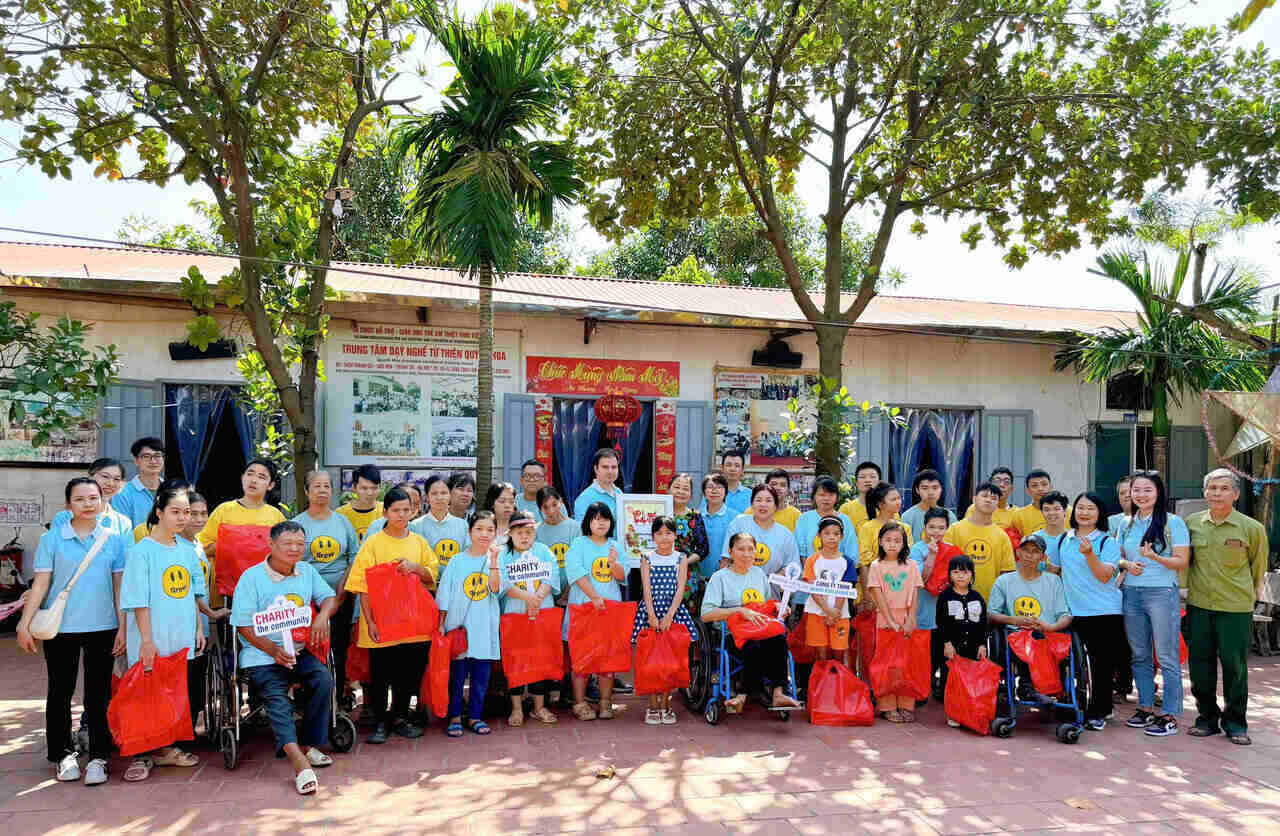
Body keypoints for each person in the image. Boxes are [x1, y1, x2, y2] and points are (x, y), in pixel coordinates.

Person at [16, 477, 127, 786]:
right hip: (60, 628)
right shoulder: (52, 538)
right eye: (80, 499)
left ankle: (99, 757)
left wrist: (123, 626)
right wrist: (25, 623)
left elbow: (119, 586)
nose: (88, 504)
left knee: (99, 695)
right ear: (68, 505)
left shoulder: (114, 539)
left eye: (93, 498)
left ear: (102, 501)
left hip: (103, 626)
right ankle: (63, 755)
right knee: (60, 692)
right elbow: (41, 583)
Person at [230, 521, 339, 795]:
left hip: (299, 649)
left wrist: (322, 617)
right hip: (262, 654)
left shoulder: (307, 571)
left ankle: (309, 744)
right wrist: (272, 650)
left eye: (300, 544)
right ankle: (299, 763)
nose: (294, 549)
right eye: (287, 543)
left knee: (323, 680)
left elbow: (329, 598)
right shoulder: (251, 578)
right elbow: (243, 625)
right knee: (276, 698)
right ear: (271, 544)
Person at [119, 484, 207, 781]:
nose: (183, 518)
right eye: (176, 512)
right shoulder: (141, 551)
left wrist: (198, 627)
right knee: (147, 693)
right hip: (152, 635)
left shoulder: (187, 550)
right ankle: (142, 753)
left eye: (186, 512)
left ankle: (166, 749)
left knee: (175, 691)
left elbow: (193, 593)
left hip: (182, 633)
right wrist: (146, 640)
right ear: (159, 512)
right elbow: (138, 600)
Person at [342, 487, 438, 744]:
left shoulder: (418, 542)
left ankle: (400, 718)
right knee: (381, 675)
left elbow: (432, 575)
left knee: (408, 673)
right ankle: (380, 722)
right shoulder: (373, 543)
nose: (401, 515)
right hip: (381, 623)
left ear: (413, 511)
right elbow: (362, 586)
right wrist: (370, 622)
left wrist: (415, 567)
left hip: (412, 622)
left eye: (406, 510)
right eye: (396, 510)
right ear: (385, 512)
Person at [1185, 468, 1267, 746]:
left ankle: (1236, 723)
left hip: (1235, 608)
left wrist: (1250, 599)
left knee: (1235, 667)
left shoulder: (1252, 528)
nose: (1217, 493)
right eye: (1212, 488)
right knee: (1200, 666)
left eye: (1224, 488)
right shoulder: (1192, 524)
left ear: (1236, 494)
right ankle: (1207, 718)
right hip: (1199, 605)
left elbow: (1258, 568)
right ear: (1204, 492)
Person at [1117, 471, 1189, 737]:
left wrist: (1155, 558)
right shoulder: (1126, 524)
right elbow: (1117, 557)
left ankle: (1169, 714)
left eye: (1147, 490)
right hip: (1131, 594)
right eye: (1136, 490)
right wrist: (1127, 564)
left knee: (1167, 655)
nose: (1141, 495)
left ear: (1158, 493)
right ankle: (1145, 707)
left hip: (1161, 593)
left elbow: (1182, 561)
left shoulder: (1173, 523)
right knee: (1139, 654)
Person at [1044, 492, 1123, 730]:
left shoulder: (1107, 542)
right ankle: (1071, 703)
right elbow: (1064, 571)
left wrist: (1089, 555)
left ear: (1099, 513)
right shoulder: (1065, 539)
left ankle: (1101, 710)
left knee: (1101, 664)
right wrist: (1049, 568)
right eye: (1080, 508)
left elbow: (1104, 575)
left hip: (1102, 611)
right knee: (1071, 660)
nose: (1084, 513)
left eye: (1090, 508)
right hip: (1072, 610)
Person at [700, 531, 802, 713]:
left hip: (759, 628)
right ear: (730, 552)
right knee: (753, 646)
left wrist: (778, 607)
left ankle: (778, 693)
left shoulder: (758, 574)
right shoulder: (720, 578)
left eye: (750, 549)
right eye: (741, 549)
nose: (746, 554)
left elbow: (766, 606)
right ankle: (742, 696)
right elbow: (706, 614)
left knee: (778, 639)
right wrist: (739, 611)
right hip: (732, 633)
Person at [292, 471, 361, 710]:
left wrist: (342, 589)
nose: (322, 490)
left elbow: (355, 556)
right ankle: (308, 700)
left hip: (341, 596)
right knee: (308, 649)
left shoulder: (343, 522)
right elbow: (292, 561)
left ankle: (336, 699)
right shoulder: (298, 524)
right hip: (306, 599)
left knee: (338, 649)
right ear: (306, 491)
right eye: (317, 486)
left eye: (326, 486)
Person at [437, 510, 503, 737]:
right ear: (470, 531)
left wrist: (493, 561)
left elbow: (495, 588)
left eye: (490, 530)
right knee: (457, 677)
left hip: (484, 627)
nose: (484, 534)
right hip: (459, 628)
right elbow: (444, 595)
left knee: (481, 678)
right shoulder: (457, 561)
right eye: (479, 529)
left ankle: (475, 715)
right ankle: (455, 716)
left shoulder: (497, 560)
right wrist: (441, 623)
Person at [564, 502, 626, 720]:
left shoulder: (616, 546)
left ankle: (605, 701)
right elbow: (576, 573)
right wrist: (594, 597)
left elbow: (622, 576)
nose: (601, 523)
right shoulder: (579, 544)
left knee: (607, 658)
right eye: (596, 519)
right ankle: (580, 703)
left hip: (609, 610)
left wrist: (614, 564)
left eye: (605, 519)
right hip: (584, 608)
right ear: (588, 522)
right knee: (582, 658)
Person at [631, 515, 696, 725]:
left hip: (673, 612)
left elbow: (680, 588)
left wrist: (669, 615)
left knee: (671, 660)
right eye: (659, 533)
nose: (664, 537)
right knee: (650, 659)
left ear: (675, 535)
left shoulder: (680, 558)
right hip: (651, 611)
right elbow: (646, 588)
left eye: (668, 533)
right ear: (653, 537)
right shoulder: (647, 557)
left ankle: (666, 704)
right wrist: (651, 614)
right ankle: (652, 705)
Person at [499, 511, 560, 727]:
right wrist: (528, 598)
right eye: (519, 533)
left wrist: (538, 597)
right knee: (516, 659)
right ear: (510, 533)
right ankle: (516, 708)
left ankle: (539, 707)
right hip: (515, 614)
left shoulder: (543, 551)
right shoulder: (504, 555)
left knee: (540, 658)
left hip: (542, 612)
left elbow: (551, 575)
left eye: (529, 532)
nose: (524, 537)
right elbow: (503, 583)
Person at [197, 458, 287, 605]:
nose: (254, 480)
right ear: (242, 478)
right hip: (226, 595)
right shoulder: (223, 511)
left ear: (270, 485)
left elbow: (284, 555)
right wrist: (231, 546)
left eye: (261, 477)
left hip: (266, 594)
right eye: (250, 474)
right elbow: (202, 549)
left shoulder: (276, 516)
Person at [865, 522, 924, 722]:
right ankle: (887, 705)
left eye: (897, 541)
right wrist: (890, 620)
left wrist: (912, 618)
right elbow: (877, 594)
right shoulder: (876, 566)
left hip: (907, 620)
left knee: (907, 664)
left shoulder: (911, 565)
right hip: (885, 621)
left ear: (904, 543)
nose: (892, 544)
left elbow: (915, 592)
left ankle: (906, 704)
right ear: (880, 542)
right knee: (887, 664)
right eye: (888, 540)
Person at [935, 554, 989, 726]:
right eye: (956, 572)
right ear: (950, 575)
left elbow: (983, 623)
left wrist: (982, 644)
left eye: (965, 572)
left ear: (972, 575)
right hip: (952, 647)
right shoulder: (945, 596)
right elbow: (941, 622)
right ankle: (953, 713)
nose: (960, 576)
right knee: (952, 681)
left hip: (972, 647)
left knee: (970, 680)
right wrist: (946, 643)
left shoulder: (977, 597)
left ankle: (968, 711)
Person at [944, 481, 1016, 601]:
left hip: (990, 601)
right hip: (956, 599)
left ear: (998, 504)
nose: (988, 500)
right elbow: (944, 564)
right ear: (974, 499)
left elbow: (1007, 573)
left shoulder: (1002, 536)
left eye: (994, 498)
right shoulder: (955, 529)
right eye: (984, 496)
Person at [988, 534, 1071, 633]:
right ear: (1018, 553)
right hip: (1014, 635)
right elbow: (991, 614)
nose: (1029, 555)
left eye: (1035, 551)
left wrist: (1050, 627)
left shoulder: (1054, 581)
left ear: (1043, 557)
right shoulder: (1003, 581)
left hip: (1048, 635)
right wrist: (1013, 620)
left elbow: (1065, 615)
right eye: (1025, 550)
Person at [909, 507, 952, 696]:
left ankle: (942, 689)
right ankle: (921, 689)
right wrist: (932, 555)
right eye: (932, 527)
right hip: (924, 611)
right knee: (923, 656)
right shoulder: (917, 550)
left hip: (944, 613)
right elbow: (921, 579)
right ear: (925, 527)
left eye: (941, 528)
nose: (936, 532)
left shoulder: (951, 550)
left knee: (942, 653)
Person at [721, 485, 801, 584]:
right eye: (758, 500)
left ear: (775, 506)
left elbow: (792, 566)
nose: (763, 504)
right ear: (752, 504)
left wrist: (769, 581)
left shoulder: (785, 535)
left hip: (772, 587)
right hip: (737, 584)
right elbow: (726, 559)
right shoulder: (739, 523)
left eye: (768, 501)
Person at [801, 516, 852, 666]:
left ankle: (839, 680)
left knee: (839, 653)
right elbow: (812, 588)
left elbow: (845, 589)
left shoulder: (847, 562)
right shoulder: (812, 560)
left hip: (840, 614)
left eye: (836, 534)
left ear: (842, 536)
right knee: (820, 655)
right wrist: (827, 610)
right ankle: (821, 679)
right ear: (819, 535)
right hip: (816, 612)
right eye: (827, 533)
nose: (832, 537)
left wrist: (835, 611)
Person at [48, 457, 133, 540]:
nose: (110, 483)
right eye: (105, 476)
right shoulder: (64, 518)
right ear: (90, 477)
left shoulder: (123, 523)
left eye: (116, 479)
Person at [408, 475, 472, 571]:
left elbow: (467, 556)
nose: (439, 497)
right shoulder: (415, 526)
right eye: (434, 493)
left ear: (450, 495)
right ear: (427, 498)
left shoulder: (462, 525)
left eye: (444, 493)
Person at [795, 476, 859, 568]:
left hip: (840, 572)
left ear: (837, 497)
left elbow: (851, 552)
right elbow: (801, 552)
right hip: (810, 573)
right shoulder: (804, 519)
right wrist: (810, 572)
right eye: (822, 495)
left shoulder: (845, 520)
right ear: (814, 496)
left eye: (831, 495)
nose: (826, 498)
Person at [112, 436, 166, 528]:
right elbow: (122, 530)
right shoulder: (123, 493)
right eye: (146, 456)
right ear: (136, 460)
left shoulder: (172, 490)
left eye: (157, 456)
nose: (153, 461)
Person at [858, 481, 914, 567]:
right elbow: (864, 557)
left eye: (899, 498)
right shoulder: (867, 528)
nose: (898, 502)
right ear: (881, 504)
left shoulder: (905, 528)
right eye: (893, 500)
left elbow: (908, 553)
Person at [535, 486, 577, 593]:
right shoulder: (536, 531)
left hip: (573, 588)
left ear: (561, 502)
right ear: (540, 509)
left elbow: (578, 563)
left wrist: (568, 592)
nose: (551, 511)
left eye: (554, 504)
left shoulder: (575, 527)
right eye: (545, 507)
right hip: (546, 590)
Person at [667, 473, 710, 574]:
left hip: (688, 572)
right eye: (677, 487)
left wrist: (685, 562)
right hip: (659, 571)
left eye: (686, 489)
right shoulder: (660, 514)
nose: (681, 492)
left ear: (690, 494)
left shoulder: (695, 516)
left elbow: (703, 548)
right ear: (668, 490)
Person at [901, 469, 956, 541]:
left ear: (941, 489)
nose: (930, 492)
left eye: (935, 488)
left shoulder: (950, 516)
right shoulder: (907, 517)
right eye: (925, 488)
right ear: (917, 490)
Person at [698, 473, 733, 578]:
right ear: (704, 492)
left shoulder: (735, 517)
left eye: (719, 487)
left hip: (727, 575)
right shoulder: (695, 517)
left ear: (726, 492)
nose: (714, 491)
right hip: (698, 575)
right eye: (710, 487)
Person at [838, 461, 891, 530]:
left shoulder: (889, 507)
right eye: (862, 477)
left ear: (879, 482)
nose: (867, 480)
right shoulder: (846, 509)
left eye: (872, 477)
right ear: (856, 483)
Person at [574, 448, 622, 521]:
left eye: (614, 467)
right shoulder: (584, 499)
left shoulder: (619, 492)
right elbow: (582, 527)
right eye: (605, 467)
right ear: (596, 469)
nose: (610, 471)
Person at [336, 464, 382, 541]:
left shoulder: (387, 511)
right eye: (364, 488)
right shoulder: (340, 515)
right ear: (354, 488)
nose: (370, 493)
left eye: (374, 488)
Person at [482, 480, 518, 549]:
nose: (507, 505)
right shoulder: (481, 526)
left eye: (511, 501)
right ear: (492, 503)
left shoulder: (520, 527)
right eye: (502, 501)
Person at [716, 450, 753, 515]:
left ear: (742, 470)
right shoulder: (713, 493)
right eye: (728, 465)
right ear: (722, 468)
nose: (732, 469)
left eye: (737, 466)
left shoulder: (751, 495)